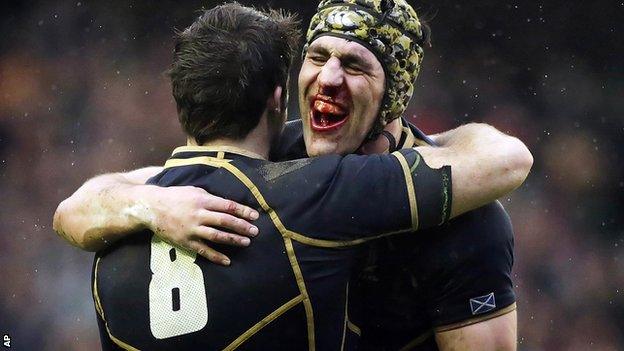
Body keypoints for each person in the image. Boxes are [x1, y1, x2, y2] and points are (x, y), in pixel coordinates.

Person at [53, 0, 533, 350]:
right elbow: (84, 203)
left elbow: (510, 158)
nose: (328, 78)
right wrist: (153, 205)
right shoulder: (274, 164)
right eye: (318, 56)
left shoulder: (467, 222)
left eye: (354, 65)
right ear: (285, 90)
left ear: (393, 96)